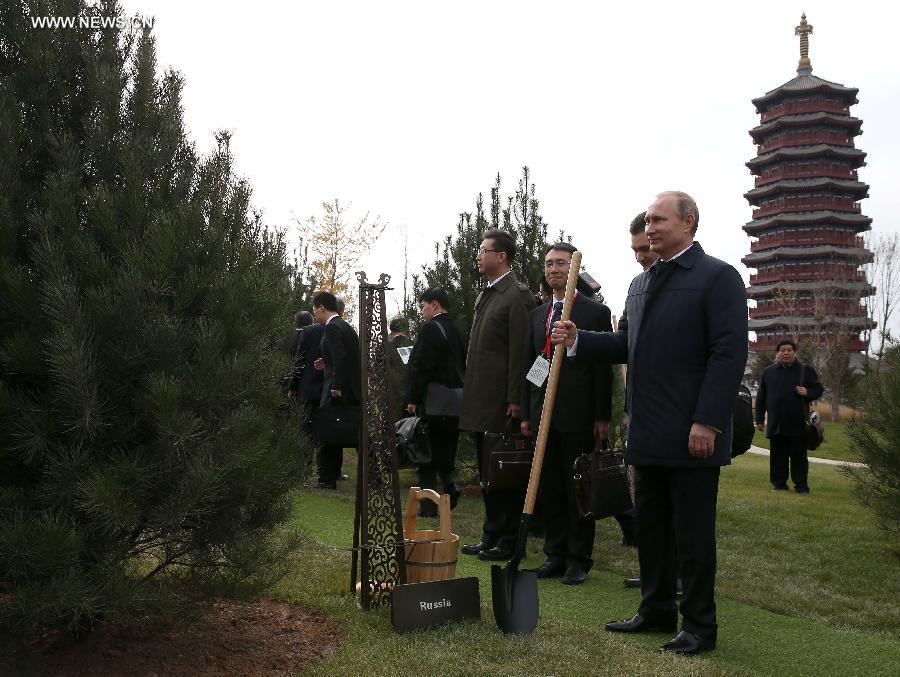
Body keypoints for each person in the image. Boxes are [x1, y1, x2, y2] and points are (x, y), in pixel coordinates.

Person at [552, 191, 748, 655]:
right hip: (648, 432)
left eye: (661, 220)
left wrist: (707, 422)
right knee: (653, 529)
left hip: (693, 435)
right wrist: (581, 339)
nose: (652, 226)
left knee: (693, 535)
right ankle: (655, 609)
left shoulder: (717, 277)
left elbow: (728, 354)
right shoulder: (639, 287)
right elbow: (626, 346)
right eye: (649, 221)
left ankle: (698, 625)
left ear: (689, 222)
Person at [521, 243, 616, 585]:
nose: (553, 269)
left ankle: (578, 558)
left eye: (560, 263)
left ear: (573, 267)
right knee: (549, 487)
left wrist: (601, 415)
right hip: (543, 414)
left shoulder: (593, 313)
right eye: (548, 264)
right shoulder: (537, 314)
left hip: (579, 412)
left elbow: (602, 368)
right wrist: (528, 411)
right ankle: (555, 553)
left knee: (577, 486)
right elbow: (533, 365)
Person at [458, 229, 537, 561]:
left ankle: (507, 539)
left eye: (483, 249)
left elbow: (521, 353)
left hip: (504, 403)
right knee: (489, 474)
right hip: (481, 401)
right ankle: (491, 535)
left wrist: (517, 399)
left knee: (505, 472)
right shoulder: (486, 294)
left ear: (501, 256)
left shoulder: (516, 296)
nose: (478, 255)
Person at [405, 288, 467, 516]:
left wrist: (413, 397)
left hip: (434, 401)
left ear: (434, 304)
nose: (421, 312)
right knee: (447, 450)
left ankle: (429, 506)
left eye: (422, 306)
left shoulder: (431, 329)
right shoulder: (458, 331)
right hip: (456, 401)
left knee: (426, 453)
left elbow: (421, 365)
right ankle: (451, 486)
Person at [755, 339, 824, 493]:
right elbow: (761, 397)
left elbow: (819, 389)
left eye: (789, 350)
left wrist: (807, 392)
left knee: (799, 457)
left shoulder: (805, 370)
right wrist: (759, 419)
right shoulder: (768, 372)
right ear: (777, 353)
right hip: (776, 423)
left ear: (795, 352)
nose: (786, 353)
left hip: (798, 422)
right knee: (777, 457)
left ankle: (801, 486)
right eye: (782, 350)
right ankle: (779, 485)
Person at [312, 291, 361, 489]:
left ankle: (326, 478)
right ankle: (332, 475)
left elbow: (340, 358)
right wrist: (327, 362)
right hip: (349, 386)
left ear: (322, 308)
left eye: (315, 310)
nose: (315, 314)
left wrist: (337, 385)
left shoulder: (332, 328)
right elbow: (345, 356)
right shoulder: (346, 326)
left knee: (327, 430)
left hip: (336, 388)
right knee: (342, 431)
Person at [289, 311, 325, 466]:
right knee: (322, 426)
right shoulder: (323, 331)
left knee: (303, 425)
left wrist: (292, 386)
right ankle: (323, 465)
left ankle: (303, 461)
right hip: (322, 386)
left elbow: (299, 361)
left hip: (303, 386)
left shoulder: (302, 335)